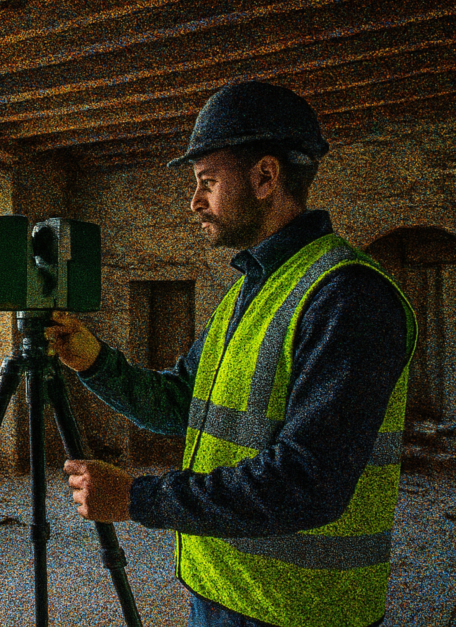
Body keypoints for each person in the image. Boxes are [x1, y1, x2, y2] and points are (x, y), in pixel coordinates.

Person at [47, 81, 417, 627]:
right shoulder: (251, 289)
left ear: (265, 177)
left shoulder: (347, 295)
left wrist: (138, 499)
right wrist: (93, 361)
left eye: (208, 182)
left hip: (297, 611)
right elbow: (180, 404)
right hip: (220, 589)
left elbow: (307, 482)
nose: (194, 201)